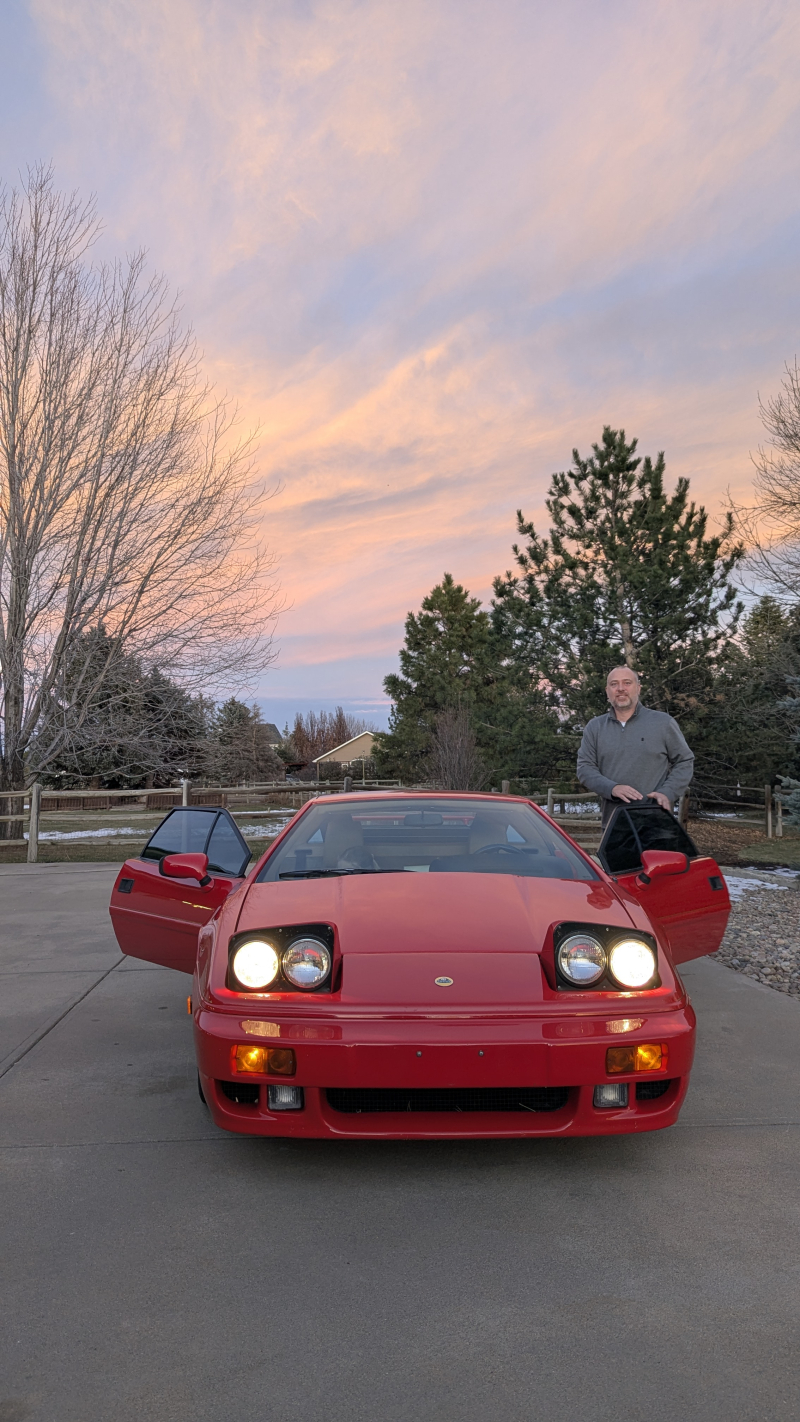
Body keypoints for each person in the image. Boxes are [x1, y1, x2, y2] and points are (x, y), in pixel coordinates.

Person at [576, 666, 694, 825]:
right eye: (614, 684)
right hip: (614, 824)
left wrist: (667, 792)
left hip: (657, 822)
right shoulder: (595, 727)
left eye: (627, 683)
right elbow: (585, 768)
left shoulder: (663, 723)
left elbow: (685, 761)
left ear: (638, 688)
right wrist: (612, 788)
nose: (620, 689)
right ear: (607, 691)